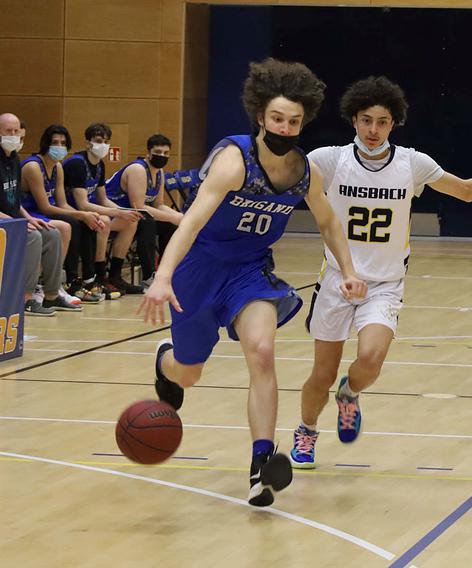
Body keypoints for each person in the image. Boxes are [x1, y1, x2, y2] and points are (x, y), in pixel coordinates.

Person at [139, 58, 367, 507]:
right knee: (188, 373)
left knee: (262, 351)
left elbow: (329, 224)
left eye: (295, 121)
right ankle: (167, 362)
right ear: (261, 117)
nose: (286, 127)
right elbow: (189, 225)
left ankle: (261, 464)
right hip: (199, 268)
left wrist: (351, 271)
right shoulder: (233, 161)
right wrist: (162, 277)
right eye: (278, 119)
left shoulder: (305, 172)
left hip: (249, 272)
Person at [289, 76, 472, 469]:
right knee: (321, 373)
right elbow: (283, 176)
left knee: (369, 360)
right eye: (366, 120)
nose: (373, 130)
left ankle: (349, 394)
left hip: (384, 284)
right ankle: (306, 430)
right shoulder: (328, 160)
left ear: (394, 124)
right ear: (353, 119)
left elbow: (467, 191)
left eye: (382, 122)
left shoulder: (412, 163)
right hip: (337, 279)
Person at [0, 113, 78, 315]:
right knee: (33, 237)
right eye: (8, 131)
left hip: (13, 219)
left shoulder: (14, 159)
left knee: (51, 232)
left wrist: (27, 217)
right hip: (3, 221)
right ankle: (26, 299)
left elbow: (14, 201)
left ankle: (51, 295)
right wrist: (17, 222)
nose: (14, 135)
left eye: (16, 131)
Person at [21, 124, 105, 306]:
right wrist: (82, 215)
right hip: (28, 212)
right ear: (45, 144)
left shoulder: (58, 167)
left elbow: (62, 204)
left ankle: (55, 285)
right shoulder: (33, 166)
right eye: (54, 142)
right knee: (66, 226)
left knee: (77, 222)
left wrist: (85, 214)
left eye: (63, 143)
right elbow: (44, 207)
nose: (59, 146)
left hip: (42, 212)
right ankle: (43, 285)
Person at [63, 123, 141, 300]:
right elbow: (82, 204)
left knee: (131, 221)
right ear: (88, 143)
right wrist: (117, 213)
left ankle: (114, 275)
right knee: (104, 220)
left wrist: (125, 211)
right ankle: (96, 276)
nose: (103, 145)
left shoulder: (100, 164)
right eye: (99, 141)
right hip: (71, 212)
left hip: (89, 212)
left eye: (106, 141)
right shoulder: (77, 164)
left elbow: (103, 198)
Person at [105, 134, 183, 293]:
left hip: (131, 215)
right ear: (148, 153)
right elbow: (140, 206)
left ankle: (163, 272)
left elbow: (159, 204)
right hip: (111, 211)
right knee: (148, 222)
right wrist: (175, 217)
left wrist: (181, 216)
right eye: (158, 152)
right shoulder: (138, 169)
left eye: (166, 153)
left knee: (168, 224)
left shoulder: (159, 172)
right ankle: (149, 276)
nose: (162, 156)